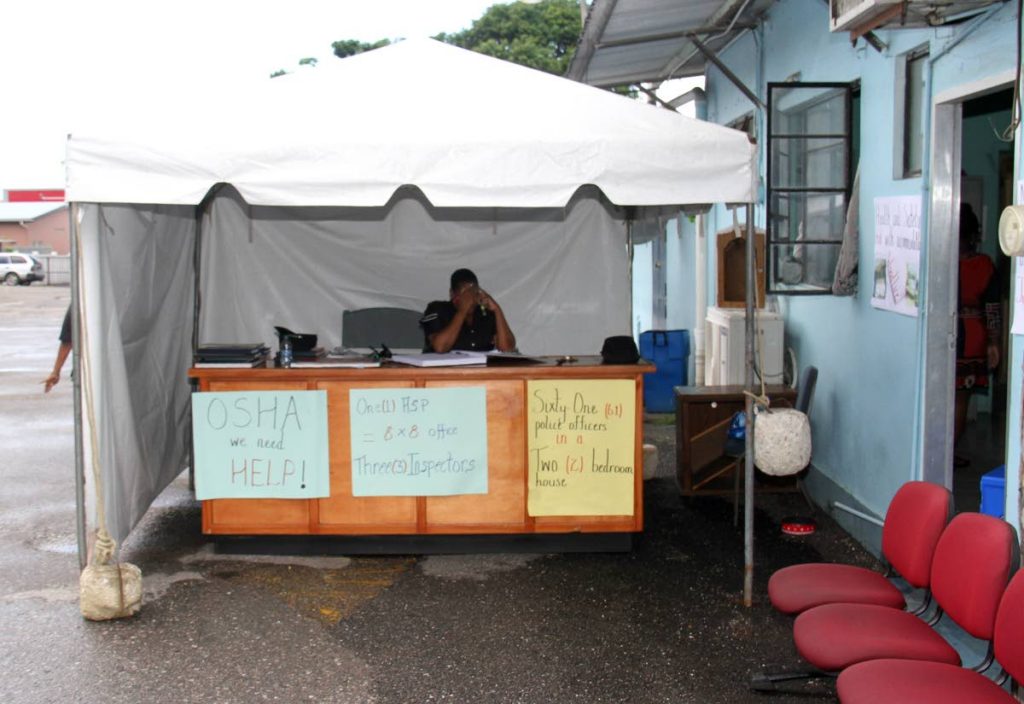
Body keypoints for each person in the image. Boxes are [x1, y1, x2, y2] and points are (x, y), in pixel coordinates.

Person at [954, 203, 1000, 466]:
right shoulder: (983, 265)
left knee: (942, 399)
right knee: (961, 399)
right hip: (972, 336)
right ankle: (947, 454)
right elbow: (992, 308)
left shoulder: (939, 261)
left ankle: (942, 454)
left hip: (942, 333)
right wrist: (994, 342)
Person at [420, 268, 516, 353]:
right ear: (452, 294)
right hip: (443, 371)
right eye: (465, 294)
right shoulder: (437, 309)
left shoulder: (486, 313)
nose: (470, 299)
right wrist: (462, 310)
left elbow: (507, 349)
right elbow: (440, 347)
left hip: (481, 371)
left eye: (473, 293)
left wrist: (497, 310)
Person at [43, 305, 72, 393]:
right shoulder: (78, 305)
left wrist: (56, 372)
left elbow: (67, 341)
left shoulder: (79, 303)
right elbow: (67, 340)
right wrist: (56, 372)